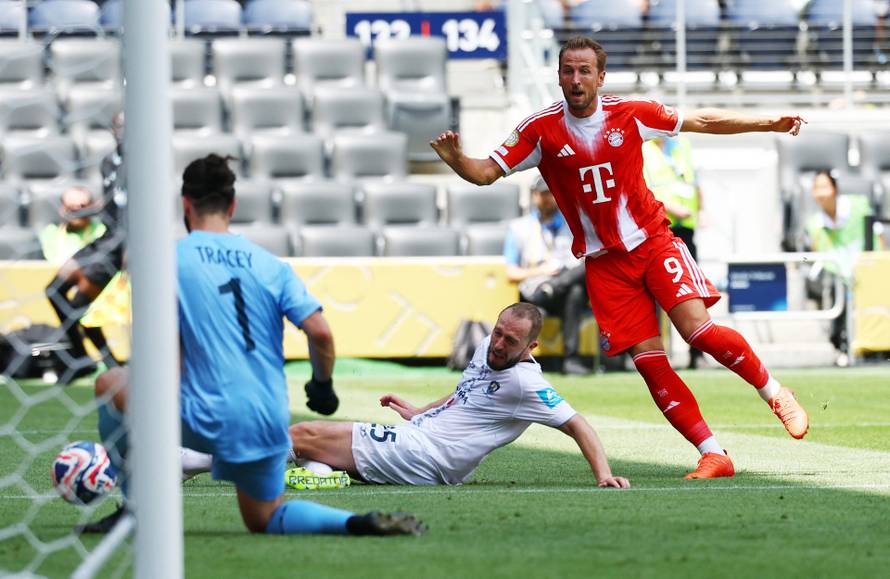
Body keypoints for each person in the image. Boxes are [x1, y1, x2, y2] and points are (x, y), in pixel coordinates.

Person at [430, 36, 810, 480]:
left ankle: (775, 392)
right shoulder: (539, 130)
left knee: (698, 331)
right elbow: (485, 172)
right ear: (558, 77)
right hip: (605, 264)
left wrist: (769, 123)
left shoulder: (631, 113)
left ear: (600, 77)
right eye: (568, 71)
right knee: (649, 362)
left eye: (584, 71)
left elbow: (703, 121)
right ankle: (713, 453)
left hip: (652, 242)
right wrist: (457, 160)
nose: (576, 79)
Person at [77, 154, 422, 537]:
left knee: (109, 383)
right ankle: (352, 522)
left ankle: (133, 510)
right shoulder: (270, 264)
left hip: (202, 414)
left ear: (186, 205)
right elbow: (320, 331)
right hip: (266, 418)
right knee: (264, 518)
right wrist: (321, 385)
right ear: (233, 205)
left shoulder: (168, 260)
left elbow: (162, 349)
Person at [287, 303, 629, 489]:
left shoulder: (528, 384)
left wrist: (603, 475)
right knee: (313, 444)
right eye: (498, 332)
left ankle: (237, 462)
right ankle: (322, 475)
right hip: (417, 437)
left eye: (511, 341)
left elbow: (577, 424)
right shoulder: (486, 348)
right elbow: (464, 394)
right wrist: (420, 411)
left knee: (303, 434)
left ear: (531, 347)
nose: (498, 344)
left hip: (431, 457)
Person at [44, 113, 127, 381]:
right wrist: (88, 211)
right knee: (53, 291)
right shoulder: (107, 163)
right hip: (105, 239)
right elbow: (111, 202)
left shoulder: (142, 163)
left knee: (79, 306)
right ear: (112, 129)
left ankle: (97, 362)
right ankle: (82, 358)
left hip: (122, 244)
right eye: (119, 125)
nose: (122, 131)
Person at [504, 175, 591, 374]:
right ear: (534, 196)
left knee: (578, 287)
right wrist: (541, 271)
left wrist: (559, 279)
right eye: (543, 194)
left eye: (552, 193)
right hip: (535, 292)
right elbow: (511, 273)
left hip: (564, 287)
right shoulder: (519, 228)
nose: (548, 198)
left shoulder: (573, 224)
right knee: (575, 289)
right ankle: (572, 359)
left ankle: (571, 361)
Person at [641, 135, 705, 368]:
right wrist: (670, 208)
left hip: (686, 231)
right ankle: (656, 354)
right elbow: (641, 188)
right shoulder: (643, 149)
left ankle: (697, 354)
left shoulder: (683, 146)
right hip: (658, 227)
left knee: (692, 291)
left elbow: (694, 182)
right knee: (657, 291)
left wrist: (703, 210)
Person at [805, 170, 880, 364]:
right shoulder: (815, 224)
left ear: (835, 189)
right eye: (816, 188)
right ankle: (841, 346)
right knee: (833, 286)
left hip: (868, 268)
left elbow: (878, 238)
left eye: (824, 187)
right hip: (838, 274)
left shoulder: (858, 206)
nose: (820, 193)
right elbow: (818, 254)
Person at [38, 186, 107, 265]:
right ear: (62, 209)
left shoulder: (102, 231)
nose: (77, 213)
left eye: (82, 207)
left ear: (91, 207)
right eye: (71, 208)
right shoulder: (50, 233)